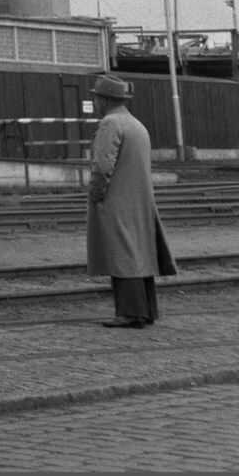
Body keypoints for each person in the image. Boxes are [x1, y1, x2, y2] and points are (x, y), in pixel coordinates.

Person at [86, 73, 176, 327]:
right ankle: (146, 310)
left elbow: (103, 165)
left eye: (97, 99)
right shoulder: (137, 124)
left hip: (116, 201)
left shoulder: (110, 123)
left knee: (122, 255)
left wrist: (95, 193)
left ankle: (129, 313)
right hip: (139, 200)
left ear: (104, 100)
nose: (96, 103)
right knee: (139, 254)